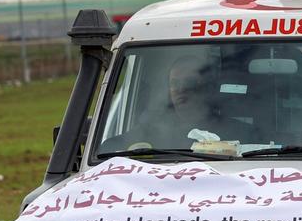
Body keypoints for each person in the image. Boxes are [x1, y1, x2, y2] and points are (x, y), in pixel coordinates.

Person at [104, 53, 257, 151]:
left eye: (190, 83)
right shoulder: (152, 133)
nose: (181, 89)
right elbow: (115, 149)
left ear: (206, 88)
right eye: (175, 84)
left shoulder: (241, 133)